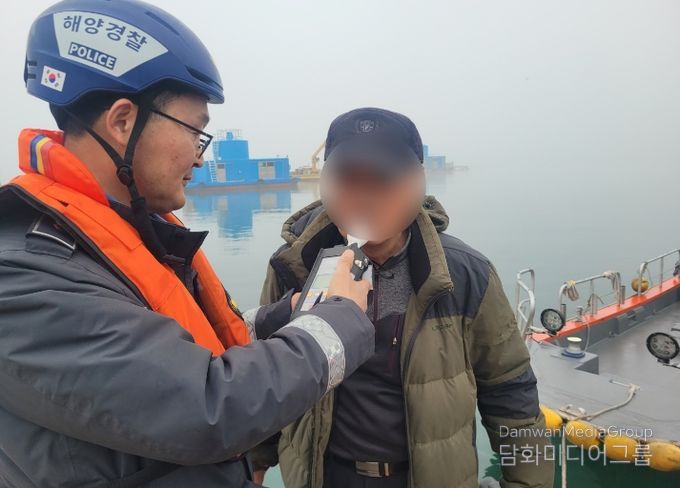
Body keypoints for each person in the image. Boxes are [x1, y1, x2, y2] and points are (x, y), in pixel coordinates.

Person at [0, 2, 375, 486]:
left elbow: (169, 348)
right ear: (122, 121)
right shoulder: (27, 275)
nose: (200, 158)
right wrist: (341, 319)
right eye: (196, 131)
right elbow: (207, 408)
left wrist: (273, 320)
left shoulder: (120, 234)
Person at [253, 107, 555, 487]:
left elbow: (510, 390)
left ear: (416, 183)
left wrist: (529, 482)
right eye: (348, 179)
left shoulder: (465, 274)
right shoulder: (295, 266)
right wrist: (253, 464)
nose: (364, 196)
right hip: (322, 475)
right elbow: (266, 373)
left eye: (382, 179)